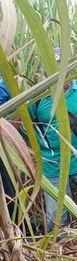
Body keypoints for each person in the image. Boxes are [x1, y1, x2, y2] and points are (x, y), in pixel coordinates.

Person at [28, 48, 77, 232]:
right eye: (53, 68)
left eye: (63, 67)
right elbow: (27, 127)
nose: (59, 73)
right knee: (56, 215)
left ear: (71, 68)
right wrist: (42, 147)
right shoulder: (38, 98)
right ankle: (58, 248)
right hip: (53, 165)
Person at [0, 76, 16, 218]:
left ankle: (15, 225)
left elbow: (18, 113)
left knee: (8, 192)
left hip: (4, 146)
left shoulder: (5, 83)